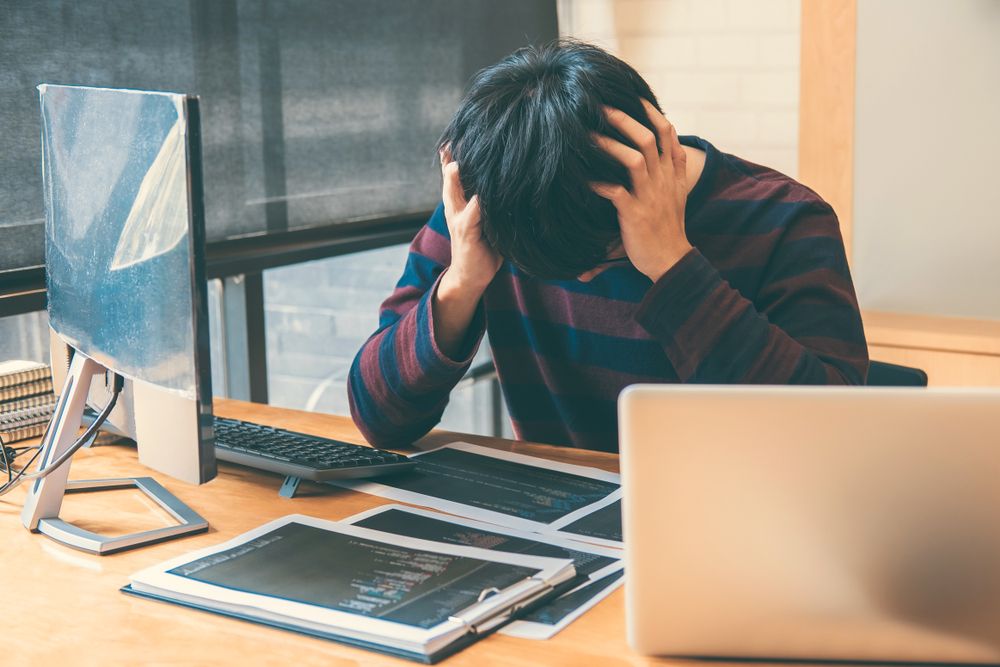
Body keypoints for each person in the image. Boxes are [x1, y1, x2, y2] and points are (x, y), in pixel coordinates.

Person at [348, 40, 868, 453]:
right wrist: (461, 284)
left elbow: (830, 443)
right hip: (559, 532)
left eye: (604, 254)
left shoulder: (785, 219)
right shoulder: (494, 209)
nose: (580, 280)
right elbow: (379, 419)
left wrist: (672, 265)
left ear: (657, 150)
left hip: (733, 529)